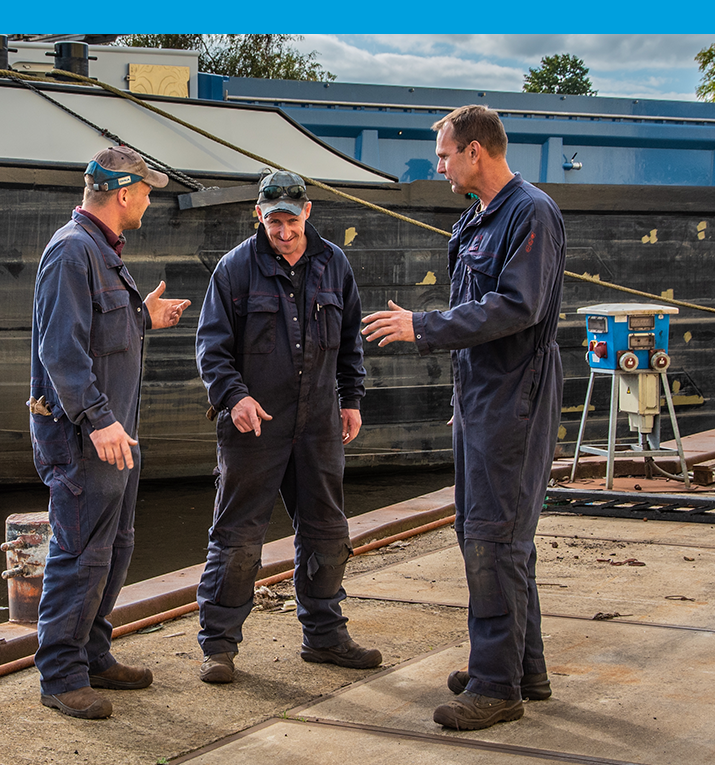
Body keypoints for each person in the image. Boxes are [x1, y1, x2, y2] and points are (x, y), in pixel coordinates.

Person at [361, 105, 566, 731]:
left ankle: (495, 686)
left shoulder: (529, 212)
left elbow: (516, 307)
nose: (440, 164)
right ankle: (520, 667)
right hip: (484, 399)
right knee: (491, 533)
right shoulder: (476, 221)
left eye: (446, 154)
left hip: (514, 398)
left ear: (477, 152)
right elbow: (478, 319)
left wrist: (420, 326)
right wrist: (463, 402)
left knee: (492, 536)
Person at [193, 170, 381, 684]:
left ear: (308, 212)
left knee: (327, 531)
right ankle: (219, 646)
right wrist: (234, 398)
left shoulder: (333, 264)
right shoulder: (234, 269)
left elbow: (349, 343)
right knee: (237, 538)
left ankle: (324, 635)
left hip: (318, 422)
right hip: (253, 426)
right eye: (273, 221)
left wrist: (352, 401)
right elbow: (211, 349)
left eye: (291, 220)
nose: (283, 231)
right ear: (259, 215)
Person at [28, 146, 191, 720]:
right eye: (147, 192)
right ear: (124, 192)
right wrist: (98, 420)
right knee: (81, 553)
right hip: (87, 438)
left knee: (113, 549)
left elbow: (98, 333)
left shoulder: (100, 254)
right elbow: (61, 353)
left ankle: (94, 654)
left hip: (116, 436)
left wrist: (144, 318)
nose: (149, 201)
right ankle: (62, 676)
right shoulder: (73, 253)